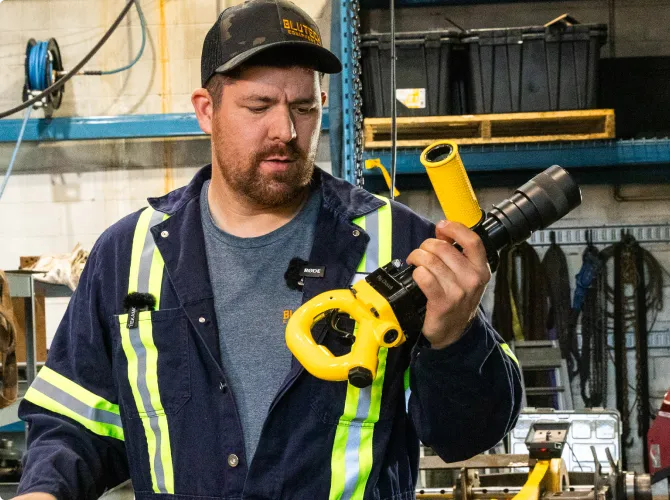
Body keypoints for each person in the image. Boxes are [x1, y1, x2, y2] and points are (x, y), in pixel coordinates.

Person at [14, 1, 522, 499]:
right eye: (259, 107)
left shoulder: (401, 246)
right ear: (206, 111)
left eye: (305, 107)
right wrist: (44, 491)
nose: (287, 130)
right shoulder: (128, 254)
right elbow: (74, 421)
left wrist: (456, 337)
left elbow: (467, 435)